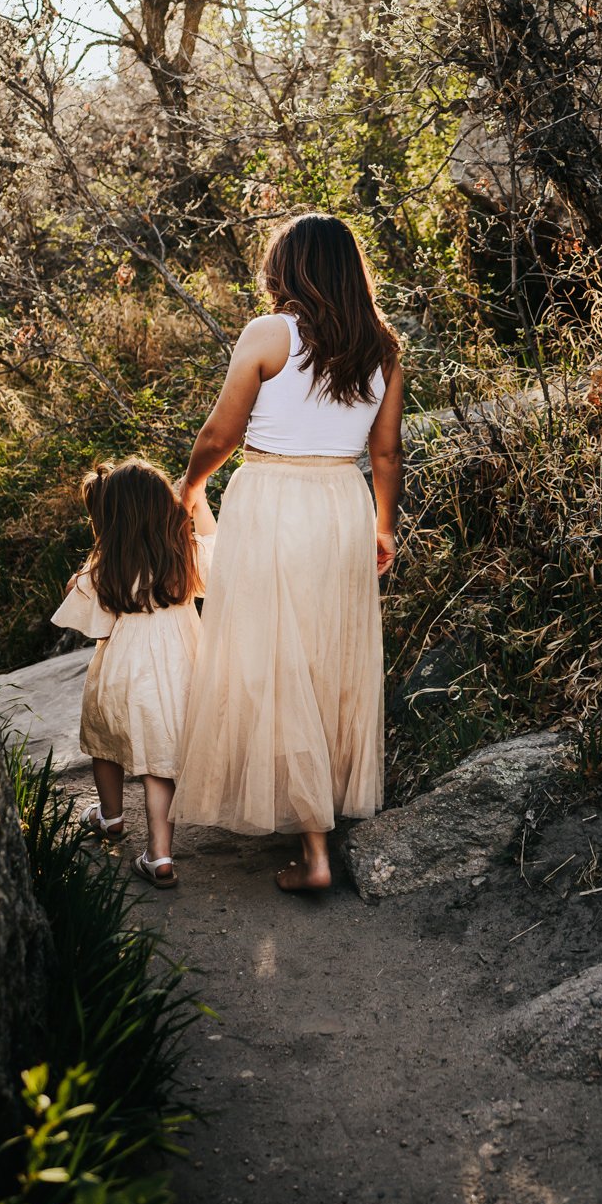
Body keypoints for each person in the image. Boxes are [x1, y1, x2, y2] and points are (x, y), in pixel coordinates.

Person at [171, 213, 404, 891]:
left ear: (290, 267)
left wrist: (188, 487)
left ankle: (315, 851)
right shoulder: (381, 344)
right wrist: (384, 526)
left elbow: (221, 430)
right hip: (341, 502)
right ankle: (312, 817)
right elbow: (385, 451)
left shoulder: (270, 333)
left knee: (273, 656)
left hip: (271, 496)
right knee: (325, 659)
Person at [53, 457, 216, 889]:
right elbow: (218, 549)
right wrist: (195, 501)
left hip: (122, 671)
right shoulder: (184, 555)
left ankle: (111, 818)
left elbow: (77, 602)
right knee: (160, 760)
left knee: (104, 740)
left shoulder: (108, 564)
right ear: (166, 505)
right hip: (180, 668)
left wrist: (86, 572)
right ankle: (159, 855)